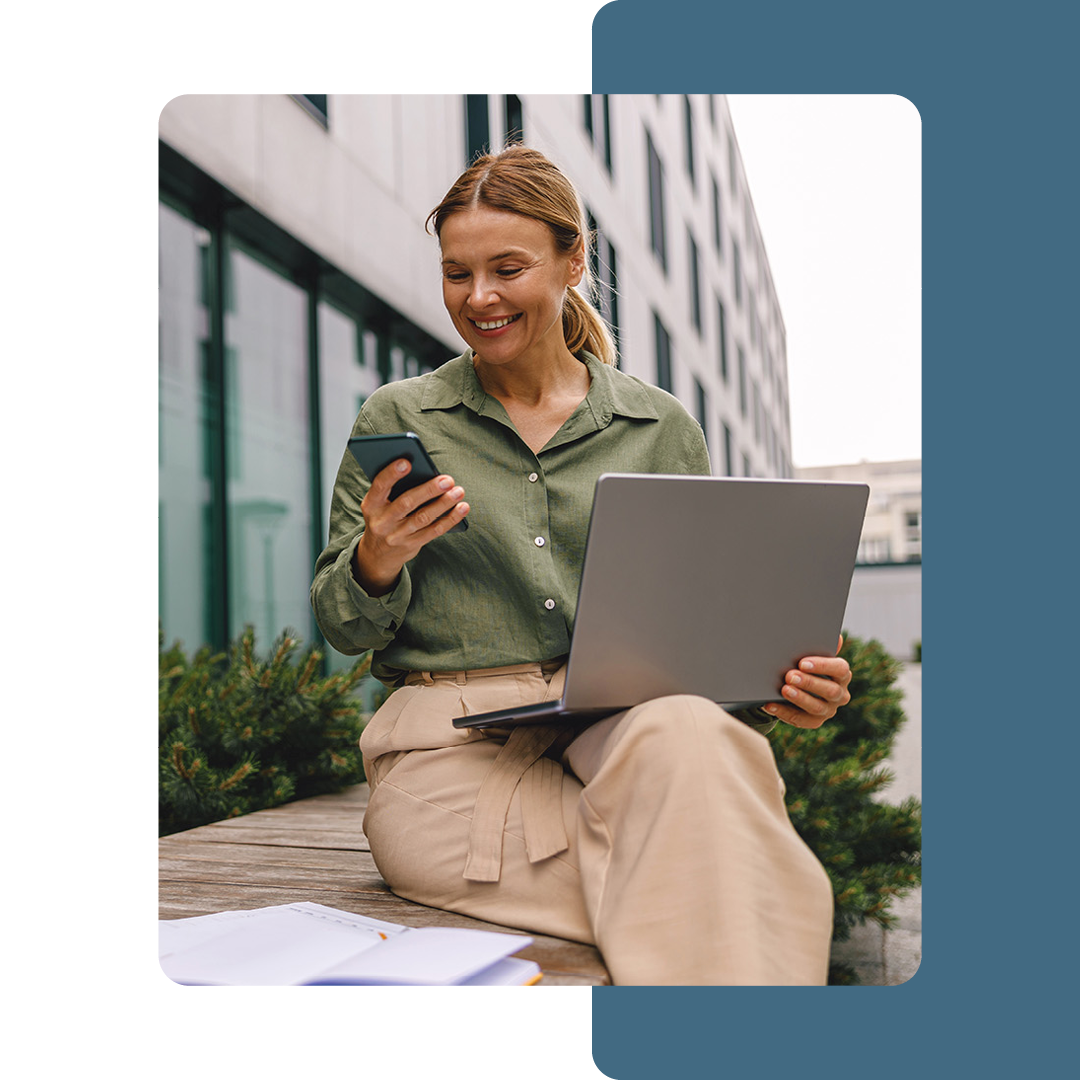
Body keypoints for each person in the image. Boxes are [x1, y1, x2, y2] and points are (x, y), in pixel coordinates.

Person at [311, 145, 852, 985]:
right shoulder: (402, 416)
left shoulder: (658, 426)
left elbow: (697, 633)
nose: (478, 297)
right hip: (449, 765)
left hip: (626, 729)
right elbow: (342, 626)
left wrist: (782, 690)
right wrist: (377, 558)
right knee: (721, 881)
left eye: (506, 268)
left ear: (574, 260)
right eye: (457, 273)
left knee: (694, 731)